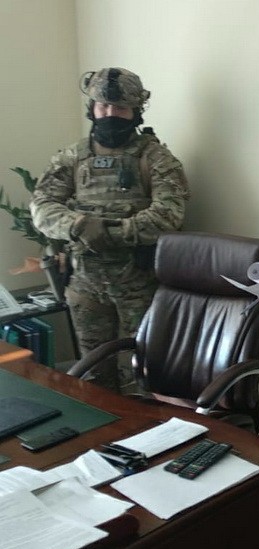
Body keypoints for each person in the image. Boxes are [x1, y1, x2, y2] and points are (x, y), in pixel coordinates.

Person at [30, 67, 189, 391]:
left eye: (120, 108)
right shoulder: (73, 157)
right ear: (92, 108)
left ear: (135, 111)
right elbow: (42, 206)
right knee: (93, 377)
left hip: (139, 287)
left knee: (141, 377)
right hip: (86, 285)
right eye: (103, 106)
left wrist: (110, 233)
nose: (110, 114)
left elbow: (169, 214)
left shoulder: (156, 158)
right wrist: (78, 226)